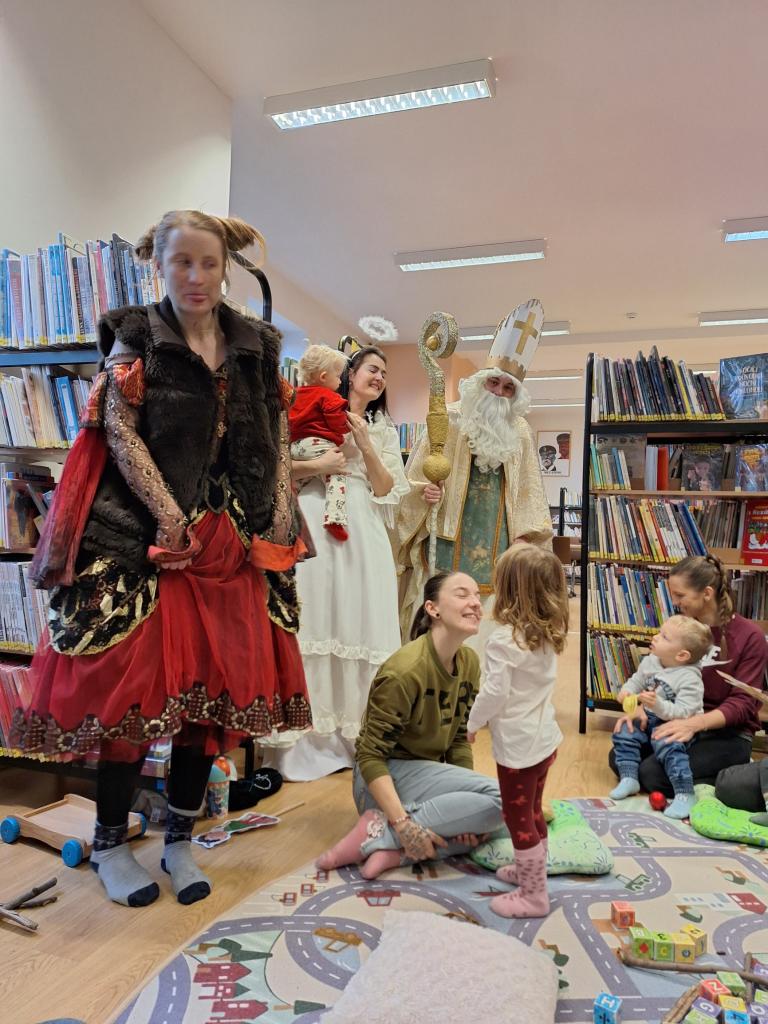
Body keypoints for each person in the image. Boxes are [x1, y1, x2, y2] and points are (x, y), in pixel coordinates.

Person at [11, 210, 311, 908]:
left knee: (207, 701)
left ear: (226, 268)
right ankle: (112, 845)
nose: (196, 277)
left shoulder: (256, 344)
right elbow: (119, 429)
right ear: (158, 264)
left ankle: (179, 840)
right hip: (143, 544)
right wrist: (168, 515)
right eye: (182, 262)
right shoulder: (136, 335)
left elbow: (275, 433)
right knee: (128, 703)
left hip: (229, 547)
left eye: (209, 263)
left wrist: (277, 515)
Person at [262, 344, 410, 781]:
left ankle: (360, 737)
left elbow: (385, 488)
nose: (379, 378)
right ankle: (304, 741)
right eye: (372, 369)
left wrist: (365, 445)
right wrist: (319, 463)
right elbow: (279, 468)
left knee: (361, 619)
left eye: (384, 373)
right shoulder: (310, 408)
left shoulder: (382, 429)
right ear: (349, 373)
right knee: (316, 615)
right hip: (313, 516)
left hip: (362, 526)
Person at [314, 570, 505, 878]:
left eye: (477, 596)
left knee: (493, 822)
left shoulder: (469, 663)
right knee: (502, 803)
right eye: (462, 594)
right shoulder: (404, 671)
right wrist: (402, 823)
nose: (475, 603)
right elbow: (369, 756)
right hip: (380, 787)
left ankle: (391, 851)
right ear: (433, 608)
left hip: (422, 783)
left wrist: (467, 813)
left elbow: (458, 739)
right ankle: (387, 831)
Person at [395, 298, 552, 636]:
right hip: (447, 541)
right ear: (482, 381)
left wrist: (523, 537)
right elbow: (414, 481)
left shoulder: (520, 432)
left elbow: (529, 493)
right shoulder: (449, 419)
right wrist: (426, 492)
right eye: (494, 383)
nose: (498, 392)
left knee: (489, 626)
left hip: (499, 547)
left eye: (508, 388)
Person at [609, 554, 768, 794]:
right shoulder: (680, 628)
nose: (675, 602)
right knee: (620, 754)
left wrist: (695, 724)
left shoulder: (750, 637)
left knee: (651, 774)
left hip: (726, 733)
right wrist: (643, 708)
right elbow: (658, 674)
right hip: (674, 717)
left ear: (707, 593)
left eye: (680, 595)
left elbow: (743, 704)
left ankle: (728, 776)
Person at [465, 544, 567, 919]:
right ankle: (533, 871)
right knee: (534, 810)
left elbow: (494, 693)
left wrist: (472, 723)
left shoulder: (504, 640)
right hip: (544, 740)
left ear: (507, 589)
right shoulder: (546, 633)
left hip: (519, 749)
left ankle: (533, 895)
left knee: (517, 817)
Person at [609, 616, 713, 819]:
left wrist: (657, 705)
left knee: (669, 747)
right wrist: (627, 692)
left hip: (677, 725)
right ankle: (629, 778)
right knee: (625, 732)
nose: (655, 637)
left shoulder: (690, 678)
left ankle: (684, 792)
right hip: (649, 718)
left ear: (682, 655)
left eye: (664, 637)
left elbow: (685, 712)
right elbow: (636, 681)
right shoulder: (652, 660)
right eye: (659, 632)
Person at [289, 344, 350, 541]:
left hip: (295, 447)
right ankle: (334, 518)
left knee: (295, 483)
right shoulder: (329, 396)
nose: (340, 381)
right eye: (338, 376)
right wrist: (346, 426)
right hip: (318, 444)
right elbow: (337, 421)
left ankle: (288, 513)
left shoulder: (294, 394)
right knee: (337, 475)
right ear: (324, 377)